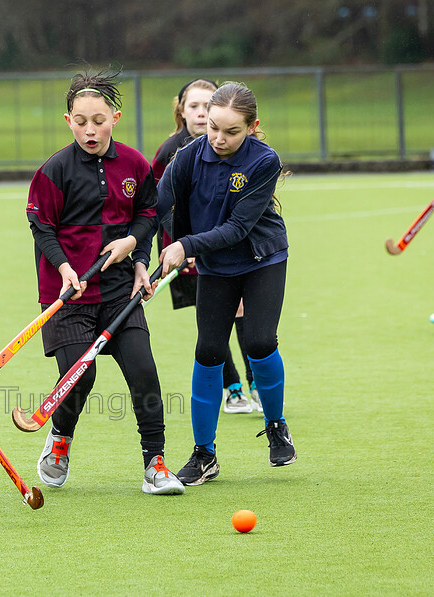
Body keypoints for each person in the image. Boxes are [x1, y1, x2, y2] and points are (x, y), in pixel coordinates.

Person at [26, 70, 184, 496]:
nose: (90, 130)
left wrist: (136, 255)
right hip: (68, 294)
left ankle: (156, 464)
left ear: (115, 117)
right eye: (80, 121)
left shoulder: (134, 164)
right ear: (68, 120)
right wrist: (63, 269)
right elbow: (41, 227)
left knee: (144, 372)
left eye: (98, 120)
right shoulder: (54, 171)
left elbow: (148, 214)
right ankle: (59, 442)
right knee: (81, 377)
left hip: (119, 292)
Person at [154, 82, 296, 486]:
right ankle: (204, 454)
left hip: (261, 259)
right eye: (213, 127)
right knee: (209, 350)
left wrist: (184, 245)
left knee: (259, 342)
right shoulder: (186, 157)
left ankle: (275, 425)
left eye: (231, 131)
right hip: (216, 265)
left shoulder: (264, 161)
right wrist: (138, 254)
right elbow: (155, 206)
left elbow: (236, 228)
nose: (218, 138)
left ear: (251, 128)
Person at [151, 78, 261, 415]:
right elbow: (160, 205)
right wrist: (183, 244)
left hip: (229, 246)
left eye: (206, 106)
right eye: (193, 106)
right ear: (181, 111)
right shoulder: (174, 152)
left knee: (241, 309)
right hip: (184, 251)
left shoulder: (245, 149)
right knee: (212, 319)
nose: (200, 113)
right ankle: (234, 389)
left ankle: (257, 383)